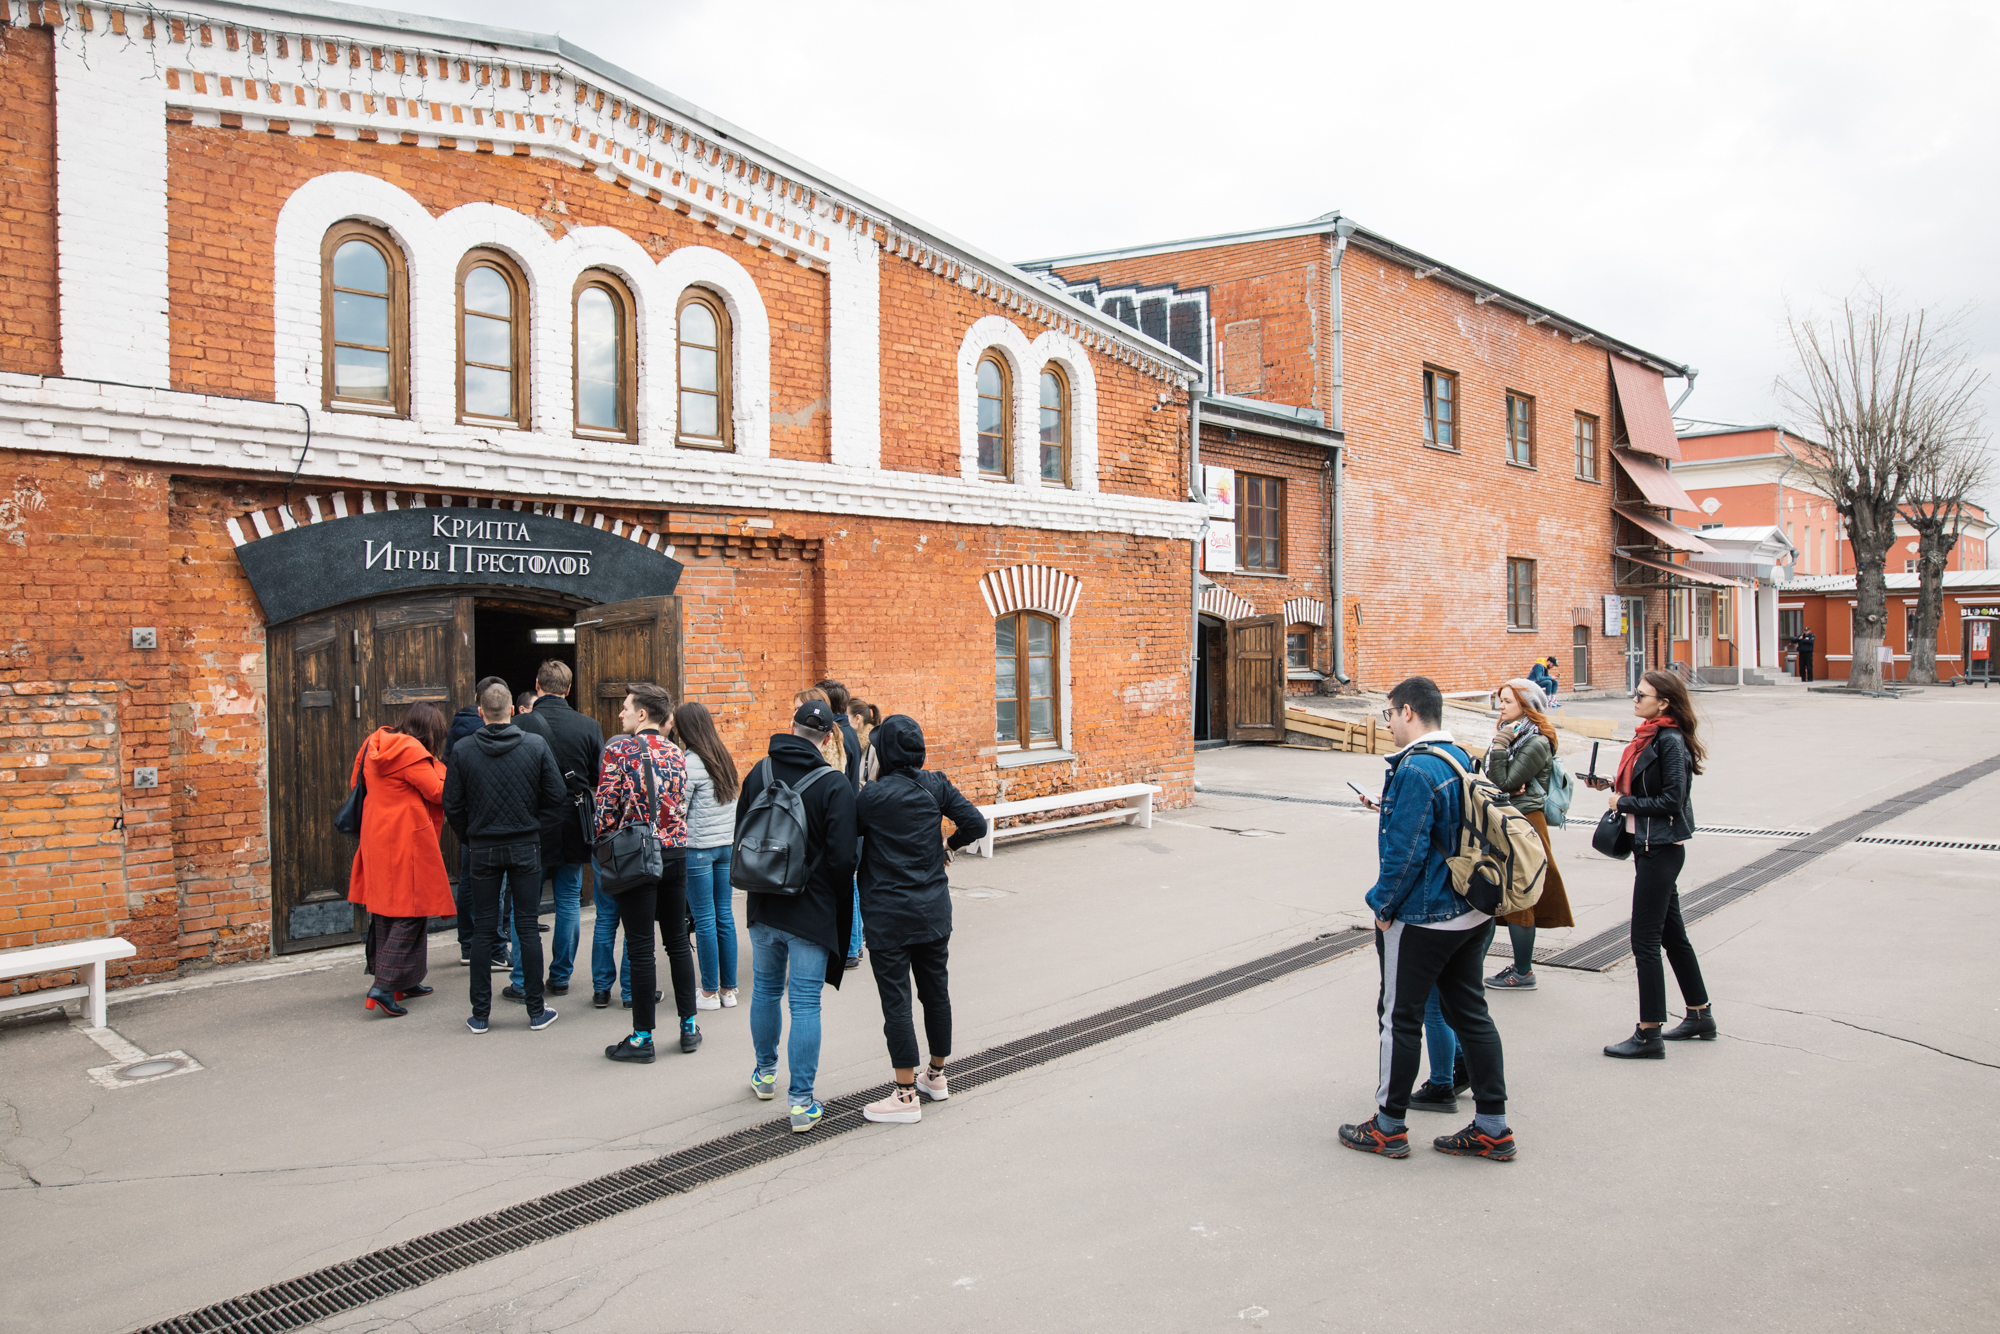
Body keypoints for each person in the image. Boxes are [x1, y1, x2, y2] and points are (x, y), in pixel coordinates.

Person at [1341, 676, 1515, 1162]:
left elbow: (1406, 852)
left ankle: (1388, 1125)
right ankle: (1492, 1126)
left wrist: (1383, 907)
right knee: (1472, 1014)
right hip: (1470, 911)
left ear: (1409, 712)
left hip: (1425, 916)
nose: (1389, 724)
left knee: (1399, 1018)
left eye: (1390, 715)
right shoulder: (1457, 756)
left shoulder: (1415, 768)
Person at [853, 715, 987, 1124]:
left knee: (897, 1001)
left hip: (888, 913)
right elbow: (976, 823)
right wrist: (950, 844)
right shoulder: (936, 784)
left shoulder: (870, 797)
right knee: (936, 994)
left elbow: (845, 843)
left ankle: (905, 1096)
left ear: (885, 752)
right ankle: (937, 1076)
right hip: (932, 910)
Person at [739, 697, 858, 1131]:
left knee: (766, 991)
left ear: (789, 725)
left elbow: (742, 834)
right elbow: (845, 859)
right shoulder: (834, 784)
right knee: (805, 1003)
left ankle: (764, 1074)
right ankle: (802, 1103)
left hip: (764, 903)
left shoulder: (759, 772)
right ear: (828, 737)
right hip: (810, 908)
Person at [1582, 670, 1714, 1057]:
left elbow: (1672, 800)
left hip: (1662, 848)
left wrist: (1622, 803)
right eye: (1635, 693)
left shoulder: (1670, 740)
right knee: (1673, 936)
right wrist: (1613, 784)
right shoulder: (1650, 737)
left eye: (1641, 695)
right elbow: (1649, 784)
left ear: (1664, 702)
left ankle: (1649, 1032)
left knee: (1644, 940)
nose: (1634, 699)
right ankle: (1700, 1014)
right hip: (1650, 847)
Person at [444, 680, 566, 1034]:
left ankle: (480, 1014)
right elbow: (556, 796)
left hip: (482, 847)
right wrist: (533, 828)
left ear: (481, 712)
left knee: (484, 929)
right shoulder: (535, 745)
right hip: (525, 846)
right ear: (513, 711)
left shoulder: (464, 750)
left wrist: (470, 835)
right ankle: (535, 1010)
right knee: (527, 926)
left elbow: (451, 804)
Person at [598, 682, 701, 1062]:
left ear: (642, 714)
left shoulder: (618, 750)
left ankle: (643, 1038)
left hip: (637, 856)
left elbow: (605, 808)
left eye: (626, 708)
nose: (621, 713)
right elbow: (679, 804)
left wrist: (604, 841)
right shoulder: (676, 751)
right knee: (677, 942)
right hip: (676, 854)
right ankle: (688, 1026)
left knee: (640, 947)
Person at [348, 702, 455, 1016]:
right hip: (406, 837)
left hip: (376, 834)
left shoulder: (375, 743)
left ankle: (405, 980)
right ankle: (383, 986)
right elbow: (437, 791)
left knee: (386, 910)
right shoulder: (410, 752)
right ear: (431, 731)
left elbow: (357, 785)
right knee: (412, 909)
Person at [512, 660, 603, 1006]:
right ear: (568, 689)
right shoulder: (589, 725)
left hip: (530, 823)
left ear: (537, 684)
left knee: (525, 905)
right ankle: (561, 976)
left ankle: (522, 979)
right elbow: (598, 777)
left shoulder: (519, 723)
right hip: (573, 822)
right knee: (568, 900)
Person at [1481, 679, 1576, 993]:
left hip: (1526, 824)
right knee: (1502, 892)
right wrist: (1502, 764)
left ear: (1527, 705)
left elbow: (1502, 779)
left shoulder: (1535, 741)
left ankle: (1523, 972)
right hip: (1510, 819)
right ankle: (1516, 967)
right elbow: (1493, 776)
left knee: (1521, 895)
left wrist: (1500, 750)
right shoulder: (1515, 735)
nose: (1502, 706)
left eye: (1508, 701)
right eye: (1501, 700)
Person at [672, 701, 741, 1011]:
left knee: (705, 919)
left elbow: (678, 810)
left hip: (699, 850)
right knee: (724, 915)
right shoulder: (722, 756)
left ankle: (709, 992)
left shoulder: (689, 763)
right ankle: (728, 990)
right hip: (726, 846)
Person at [445, 676, 509, 969]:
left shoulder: (456, 732)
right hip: (495, 820)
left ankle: (468, 944)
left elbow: (452, 791)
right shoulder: (491, 733)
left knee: (470, 883)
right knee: (495, 886)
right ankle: (495, 946)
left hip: (471, 822)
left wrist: (462, 829)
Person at [813, 680, 868, 969]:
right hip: (850, 815)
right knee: (850, 883)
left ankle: (849, 947)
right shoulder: (848, 731)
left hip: (841, 818)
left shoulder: (837, 736)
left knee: (846, 885)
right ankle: (853, 944)